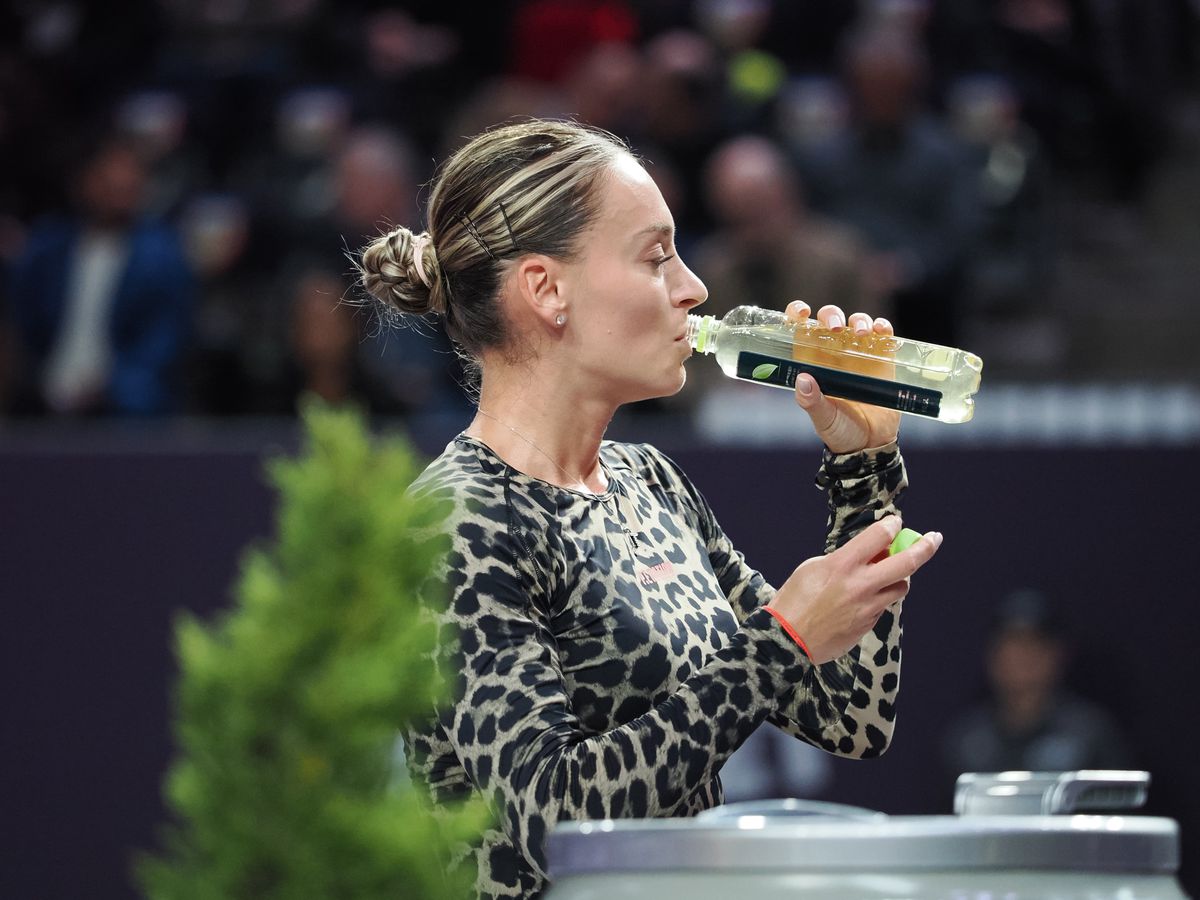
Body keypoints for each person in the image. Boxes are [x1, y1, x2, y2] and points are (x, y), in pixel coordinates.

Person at [356, 119, 943, 899]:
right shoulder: (456, 519)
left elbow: (850, 716)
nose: (694, 288)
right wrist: (781, 642)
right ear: (545, 289)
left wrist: (861, 470)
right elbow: (556, 823)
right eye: (656, 256)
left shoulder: (651, 482)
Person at [941, 589, 1134, 797]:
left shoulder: (1091, 734)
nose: (1025, 655)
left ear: (1058, 654)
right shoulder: (966, 741)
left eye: (1036, 642)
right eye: (1013, 642)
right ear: (993, 655)